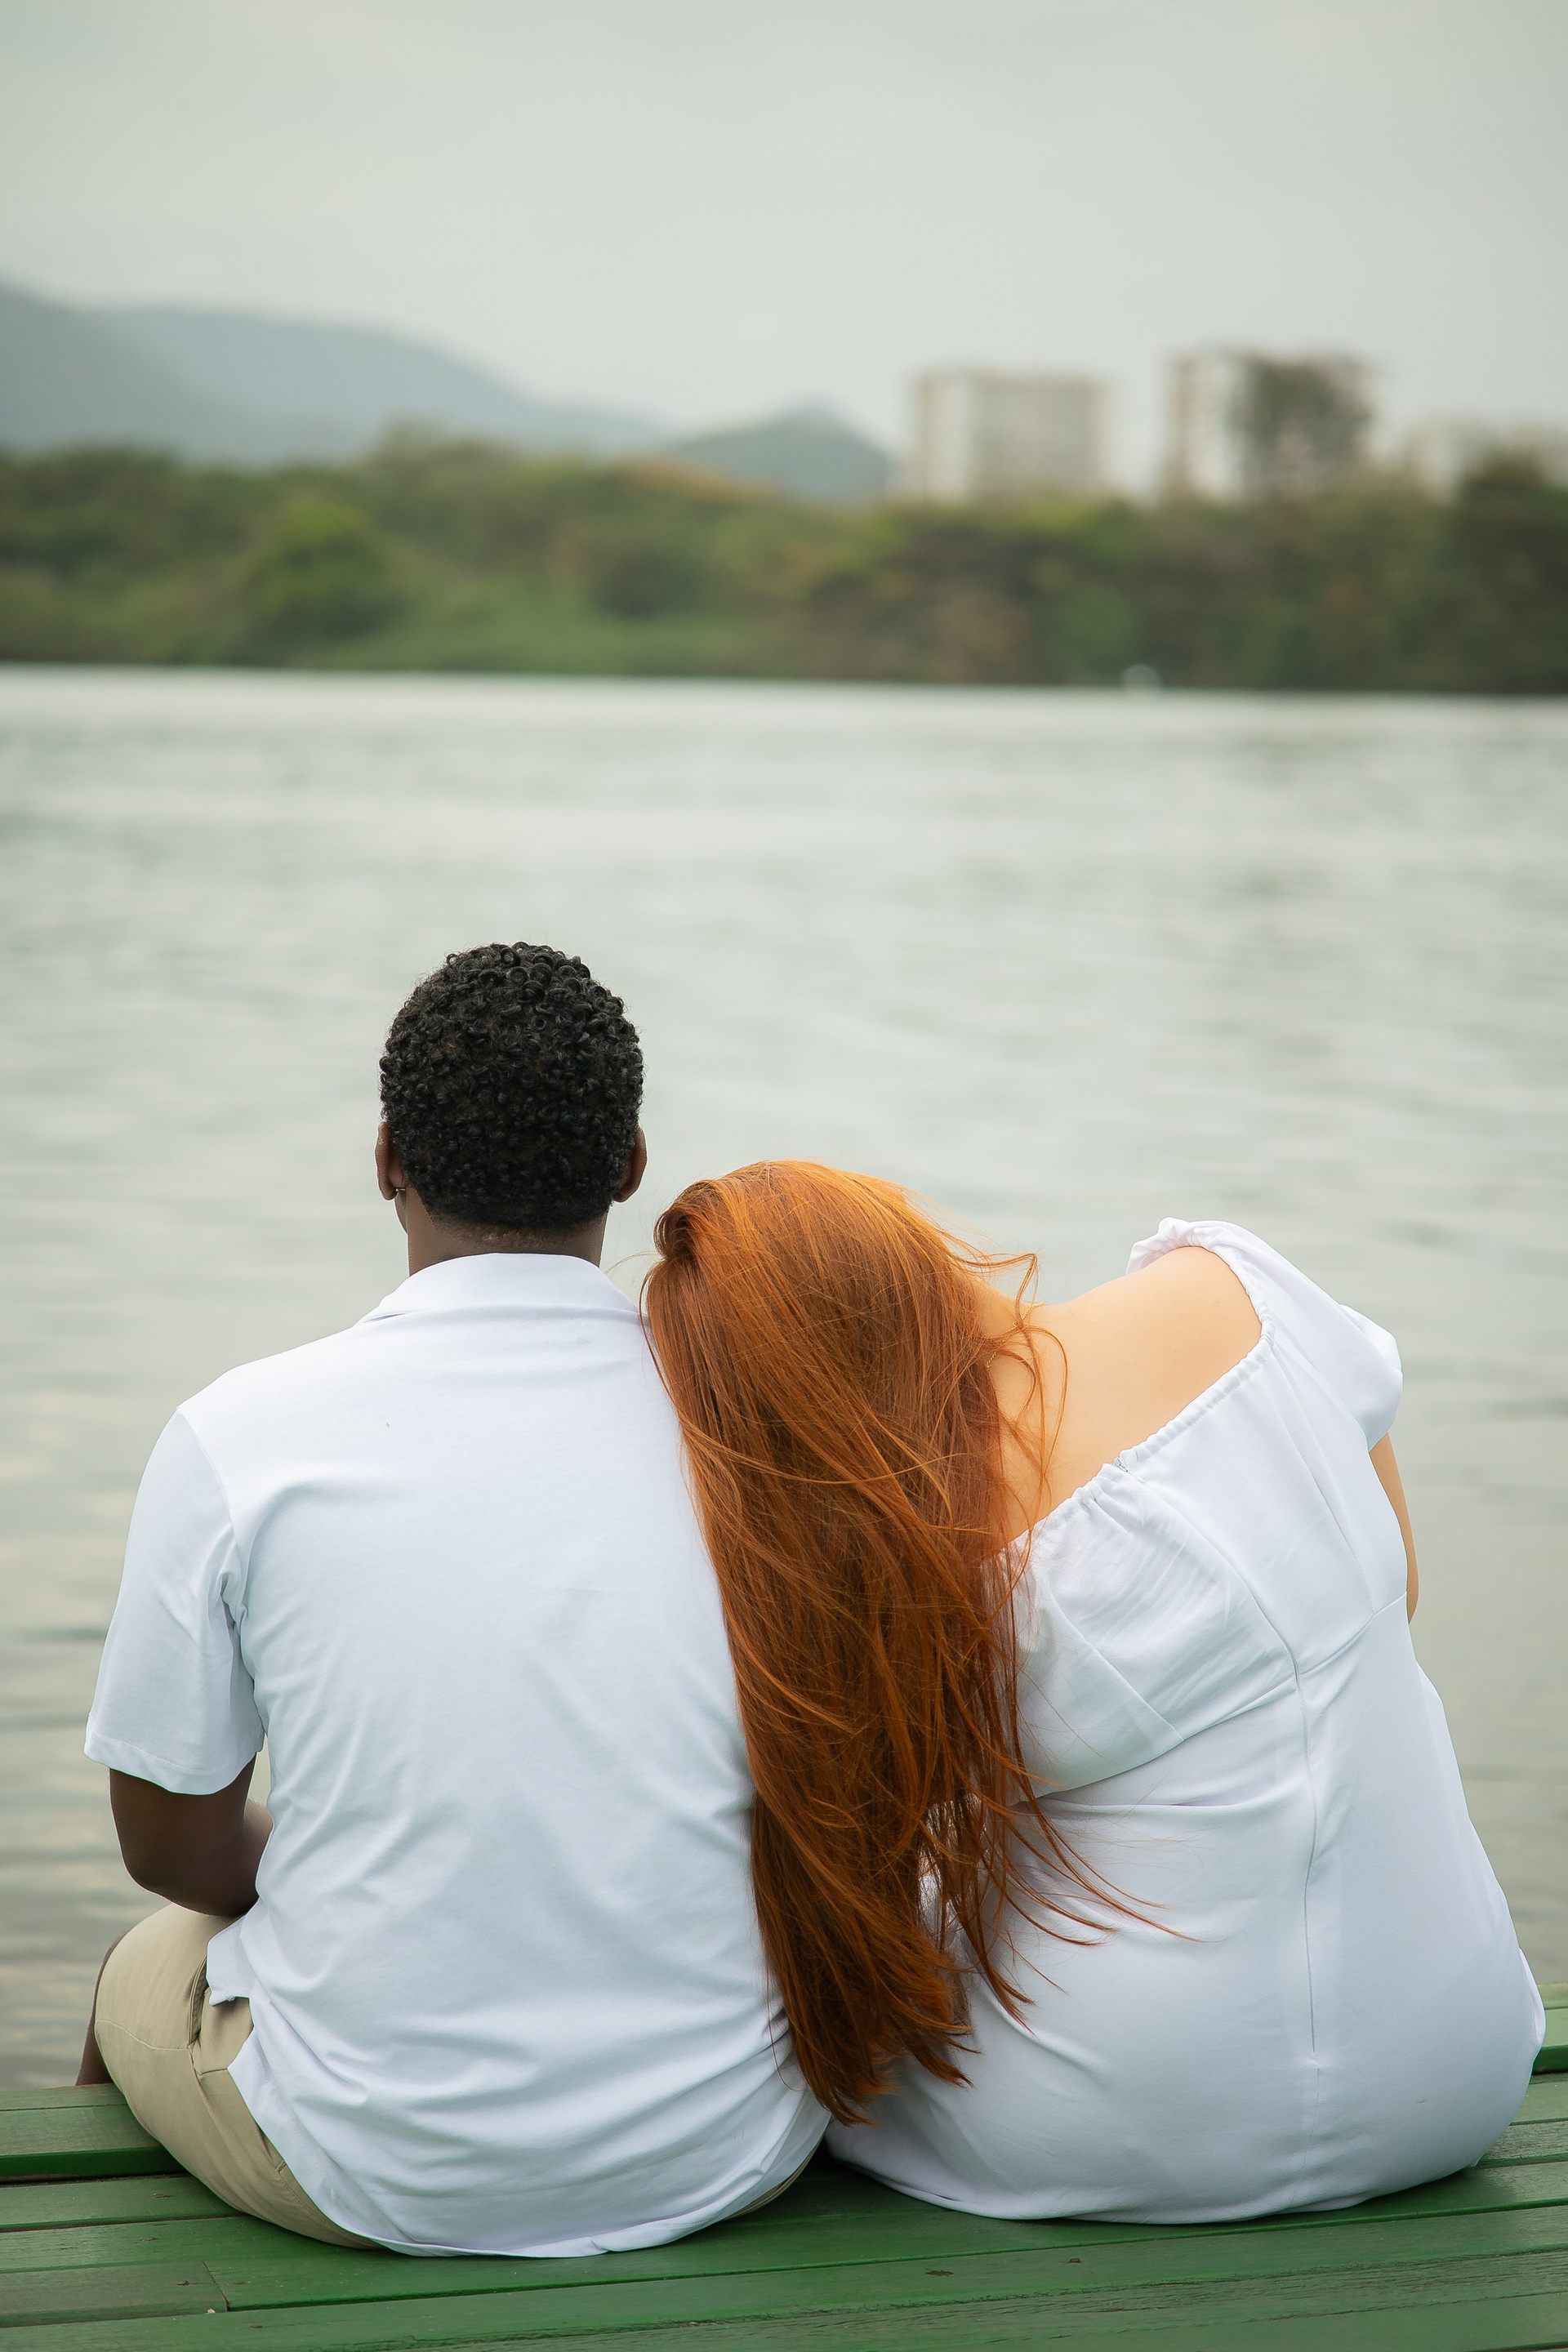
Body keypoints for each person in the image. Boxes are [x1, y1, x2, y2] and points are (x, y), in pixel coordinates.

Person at [79, 945, 825, 2256]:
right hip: (722, 2146)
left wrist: (345, 1869)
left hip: (364, 2165)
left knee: (135, 1968)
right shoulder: (751, 1433)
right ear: (631, 1164)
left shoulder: (239, 1435)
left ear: (385, 1161)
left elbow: (168, 1847)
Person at [642, 1161, 1544, 2222]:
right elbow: (1403, 1596)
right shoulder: (1236, 1290)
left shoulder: (893, 1578)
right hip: (1457, 2070)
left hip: (1107, 2126)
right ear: (912, 1244)